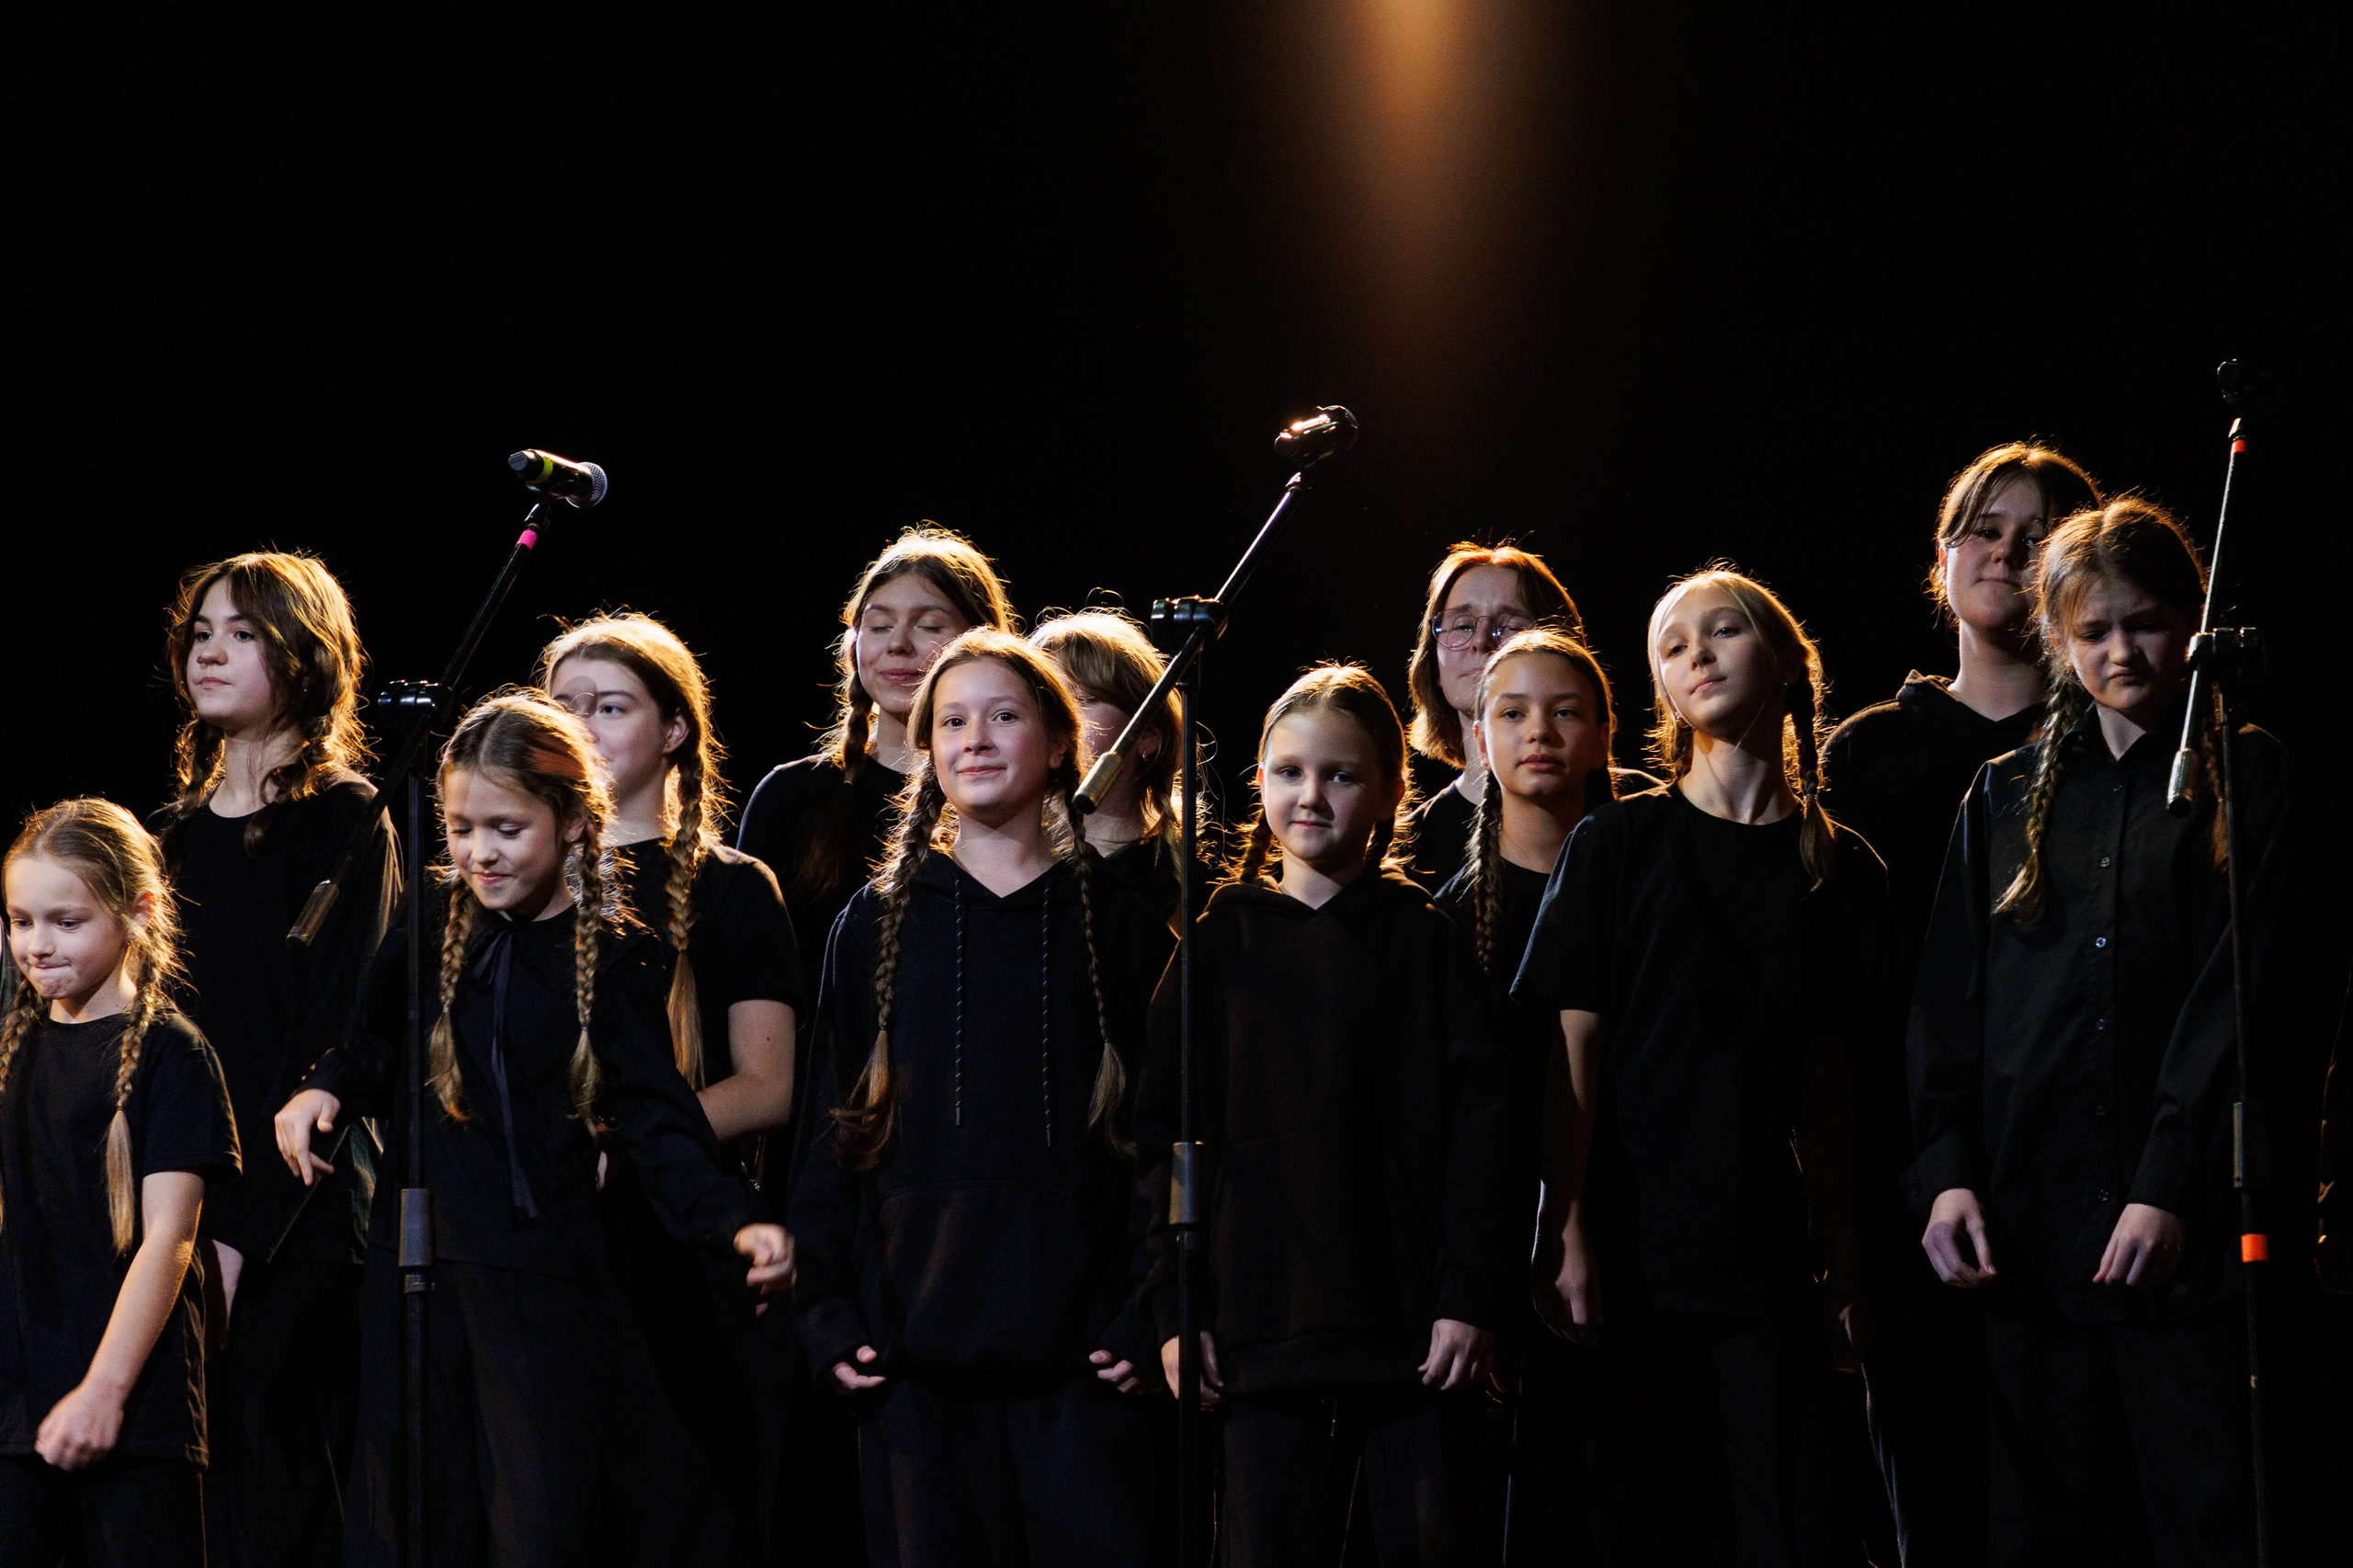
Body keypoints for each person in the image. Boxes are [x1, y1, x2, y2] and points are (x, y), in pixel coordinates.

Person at [274, 693, 792, 1568]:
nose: (480, 851)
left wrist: (731, 1220)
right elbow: (375, 1046)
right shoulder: (433, 926)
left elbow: (660, 1120)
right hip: (421, 1270)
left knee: (537, 1521)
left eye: (507, 829)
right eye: (463, 827)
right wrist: (323, 1087)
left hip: (540, 1284)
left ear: (574, 824)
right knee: (411, 1517)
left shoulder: (617, 957)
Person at [1906, 500, 2282, 1566]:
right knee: (2043, 1529)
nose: (2123, 651)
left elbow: (2235, 998)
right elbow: (1947, 1006)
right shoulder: (2004, 792)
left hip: (2184, 1237)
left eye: (2148, 622)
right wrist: (1944, 1173)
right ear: (2059, 639)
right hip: (2029, 1231)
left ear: (2192, 619)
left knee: (2202, 1518)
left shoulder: (2240, 772)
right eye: (2095, 629)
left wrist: (2165, 1179)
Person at [1514, 568, 1883, 1564]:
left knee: (1792, 1520)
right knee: (1657, 1514)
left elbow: (1834, 1087)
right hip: (1640, 1248)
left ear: (1787, 662)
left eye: (1723, 631)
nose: (1698, 654)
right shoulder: (1621, 840)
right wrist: (1568, 1216)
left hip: (1769, 1256)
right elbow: (1574, 1049)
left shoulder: (1837, 864)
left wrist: (1846, 1261)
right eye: (1673, 647)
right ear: (1664, 697)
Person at [789, 630, 1176, 1567]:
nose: (976, 737)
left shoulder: (1117, 922)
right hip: (914, 1356)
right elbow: (828, 1132)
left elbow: (1164, 1139)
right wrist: (826, 1308)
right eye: (952, 719)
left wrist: (1151, 1307)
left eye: (1004, 715)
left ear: (1056, 744)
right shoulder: (877, 921)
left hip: (1081, 1358)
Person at [1138, 663, 1517, 1565]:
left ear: (1391, 789)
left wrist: (1466, 1290)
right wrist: (1174, 1302)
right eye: (1290, 770)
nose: (1312, 794)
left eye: (1340, 774)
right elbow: (1171, 1143)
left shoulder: (1424, 940)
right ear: (1259, 780)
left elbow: (1483, 1132)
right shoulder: (1217, 942)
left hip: (1409, 1337)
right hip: (1258, 1332)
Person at [1822, 442, 2100, 1566]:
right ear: (1940, 560)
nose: (2007, 549)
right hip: (1909, 1175)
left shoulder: (2109, 750)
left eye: (2038, 532)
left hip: (2073, 1169)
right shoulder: (1867, 753)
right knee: (1931, 1496)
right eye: (1984, 526)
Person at [733, 526, 1016, 1562]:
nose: (895, 644)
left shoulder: (1001, 801)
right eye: (875, 623)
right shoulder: (794, 796)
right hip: (814, 1142)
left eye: (928, 624)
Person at [540, 613, 801, 1567]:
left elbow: (768, 1084)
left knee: (688, 1513)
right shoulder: (517, 881)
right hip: (552, 1256)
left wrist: (635, 1143)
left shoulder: (732, 884)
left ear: (674, 730)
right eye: (560, 706)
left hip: (683, 1250)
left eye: (608, 707)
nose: (578, 726)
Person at [153, 551, 395, 1568]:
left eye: (241, 632)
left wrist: (244, 1229)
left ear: (302, 652)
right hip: (180, 1206)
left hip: (295, 1206)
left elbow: (346, 1027)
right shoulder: (166, 837)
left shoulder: (348, 818)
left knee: (287, 1476)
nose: (210, 649)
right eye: (201, 631)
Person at [1, 799, 240, 1567]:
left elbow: (169, 1240)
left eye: (65, 921)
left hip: (136, 1414)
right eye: (19, 921)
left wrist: (104, 1390)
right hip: (19, 1405)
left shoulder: (174, 1054)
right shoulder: (14, 1049)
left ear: (137, 912)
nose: (36, 945)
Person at [1429, 629, 1618, 1559]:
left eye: (1565, 710)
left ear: (1600, 736)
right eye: (1510, 712)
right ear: (1476, 739)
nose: (1538, 730)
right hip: (1501, 1248)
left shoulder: (1643, 872)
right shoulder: (1451, 911)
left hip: (1639, 1229)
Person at [1401, 543, 1585, 892]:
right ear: (1434, 664)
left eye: (1510, 625)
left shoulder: (1637, 814)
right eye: (1462, 625)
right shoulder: (1408, 851)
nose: (1482, 641)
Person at [1030, 608, 1193, 921]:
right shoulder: (1011, 863)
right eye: (1045, 703)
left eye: (1081, 700)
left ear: (1147, 735)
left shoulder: (1174, 888)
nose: (1057, 720)